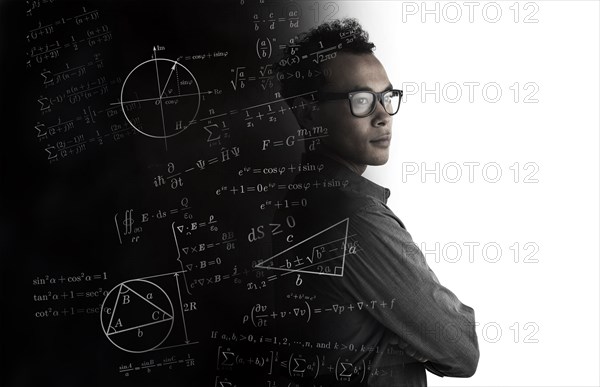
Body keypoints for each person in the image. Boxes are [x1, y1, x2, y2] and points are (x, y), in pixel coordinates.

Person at [266, 18, 479, 386]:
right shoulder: (352, 215)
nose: (383, 116)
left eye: (387, 97)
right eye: (362, 100)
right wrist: (409, 332)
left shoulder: (304, 200)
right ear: (308, 113)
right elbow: (460, 349)